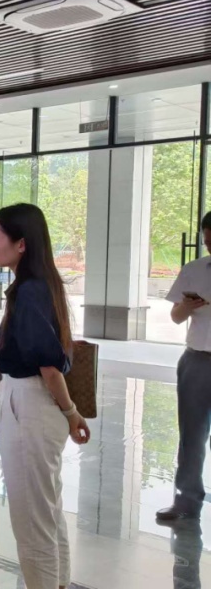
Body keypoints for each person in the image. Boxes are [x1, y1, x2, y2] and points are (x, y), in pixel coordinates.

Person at [0, 203, 91, 589]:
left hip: (29, 402)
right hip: (32, 402)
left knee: (31, 519)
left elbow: (48, 366)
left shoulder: (30, 291)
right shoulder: (40, 285)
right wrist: (69, 413)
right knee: (46, 510)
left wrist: (71, 411)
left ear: (21, 244)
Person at [157, 211, 211, 522]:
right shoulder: (194, 270)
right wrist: (187, 306)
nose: (210, 246)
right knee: (191, 434)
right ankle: (187, 501)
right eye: (208, 241)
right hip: (197, 360)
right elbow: (176, 317)